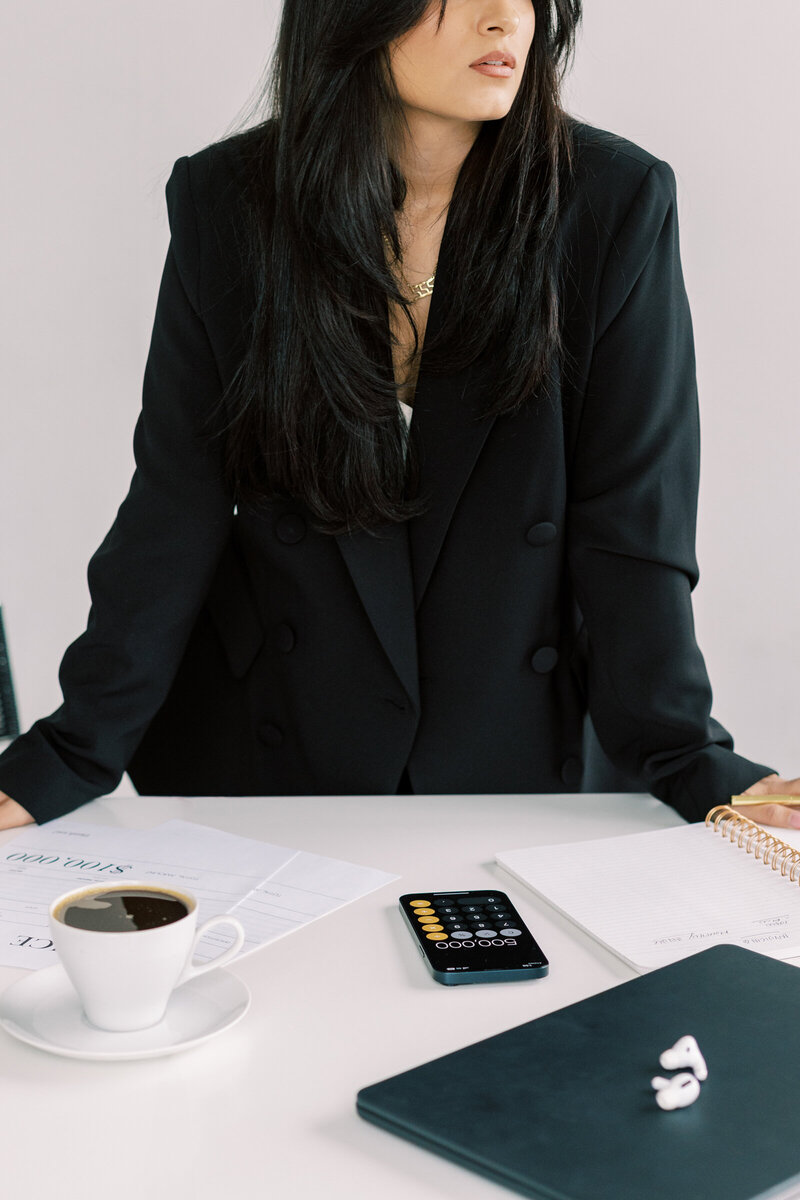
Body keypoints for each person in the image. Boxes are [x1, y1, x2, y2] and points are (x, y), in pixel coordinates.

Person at [0, 0, 796, 832]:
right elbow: (175, 502)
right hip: (274, 758)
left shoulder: (612, 202)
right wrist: (69, 753)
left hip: (519, 762)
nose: (505, 21)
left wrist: (685, 755)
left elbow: (633, 522)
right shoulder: (227, 201)